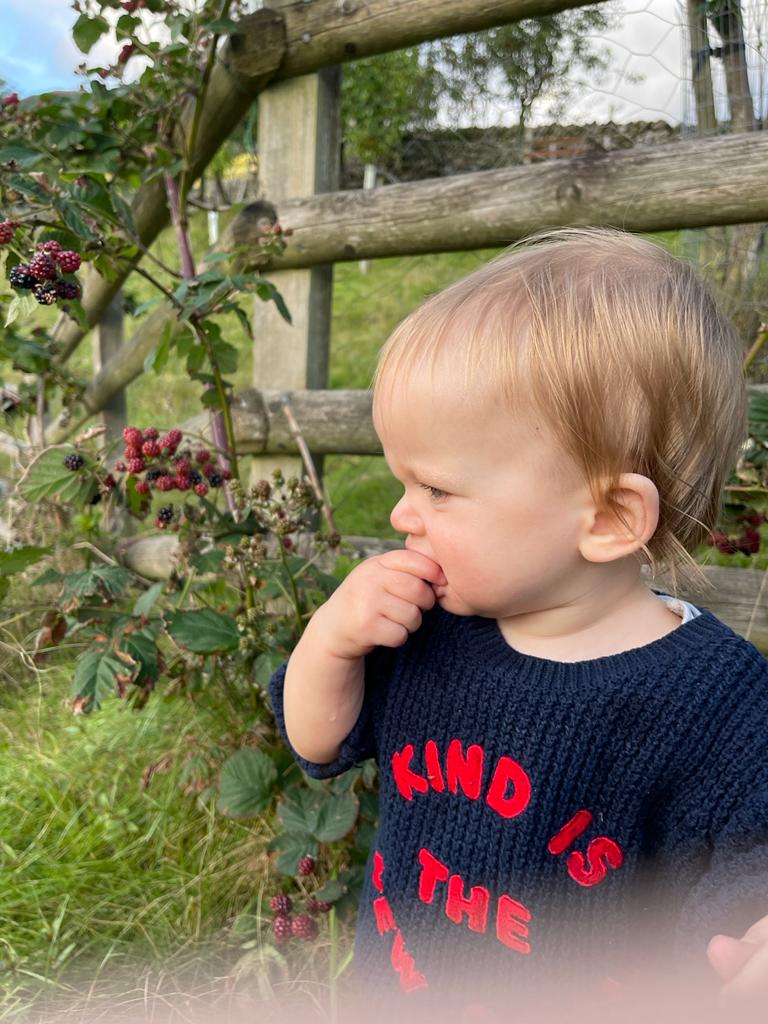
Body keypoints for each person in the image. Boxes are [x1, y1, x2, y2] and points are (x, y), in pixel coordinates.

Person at [268, 228, 768, 1022]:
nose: (402, 514)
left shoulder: (718, 705)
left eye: (436, 490)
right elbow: (317, 740)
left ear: (606, 517)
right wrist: (332, 639)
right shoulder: (431, 626)